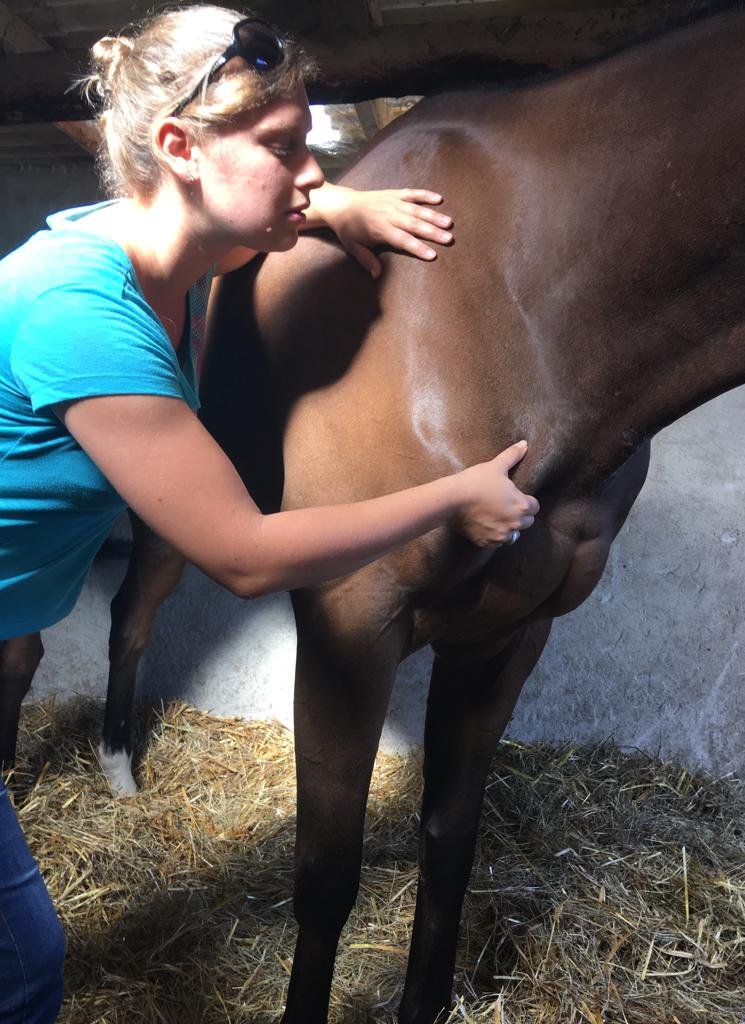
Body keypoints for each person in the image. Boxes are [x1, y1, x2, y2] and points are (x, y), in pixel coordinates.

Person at [0, 6, 539, 1020]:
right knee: (24, 968)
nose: (311, 170)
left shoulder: (165, 255)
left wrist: (344, 208)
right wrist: (455, 494)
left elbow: (257, 209)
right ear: (177, 148)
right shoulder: (83, 310)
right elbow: (244, 555)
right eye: (285, 147)